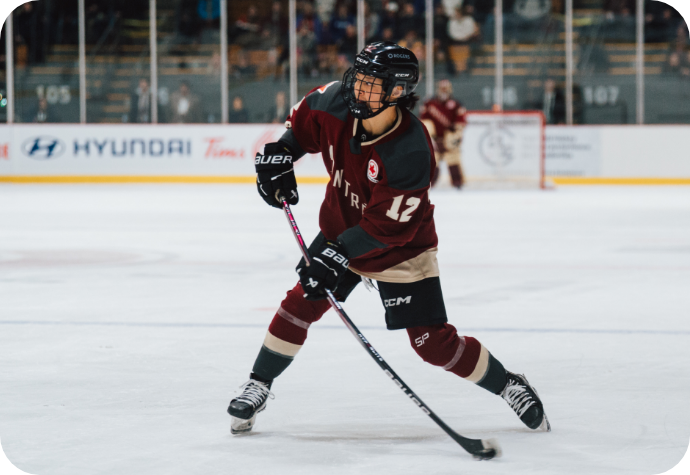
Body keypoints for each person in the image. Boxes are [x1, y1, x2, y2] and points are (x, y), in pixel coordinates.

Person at [227, 41, 551, 436]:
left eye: (371, 84)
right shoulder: (334, 102)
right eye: (358, 79)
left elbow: (387, 228)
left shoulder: (410, 151)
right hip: (340, 229)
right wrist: (281, 155)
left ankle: (508, 385)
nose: (357, 90)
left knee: (432, 344)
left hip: (401, 249)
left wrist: (337, 255)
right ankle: (259, 382)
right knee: (301, 303)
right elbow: (300, 131)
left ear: (397, 91)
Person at [420, 79, 466, 189]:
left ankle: (457, 183)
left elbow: (460, 122)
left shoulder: (456, 104)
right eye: (442, 89)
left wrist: (455, 135)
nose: (444, 91)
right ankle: (430, 184)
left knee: (453, 160)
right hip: (434, 139)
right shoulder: (430, 104)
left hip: (449, 138)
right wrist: (429, 136)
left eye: (446, 89)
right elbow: (424, 120)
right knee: (433, 162)